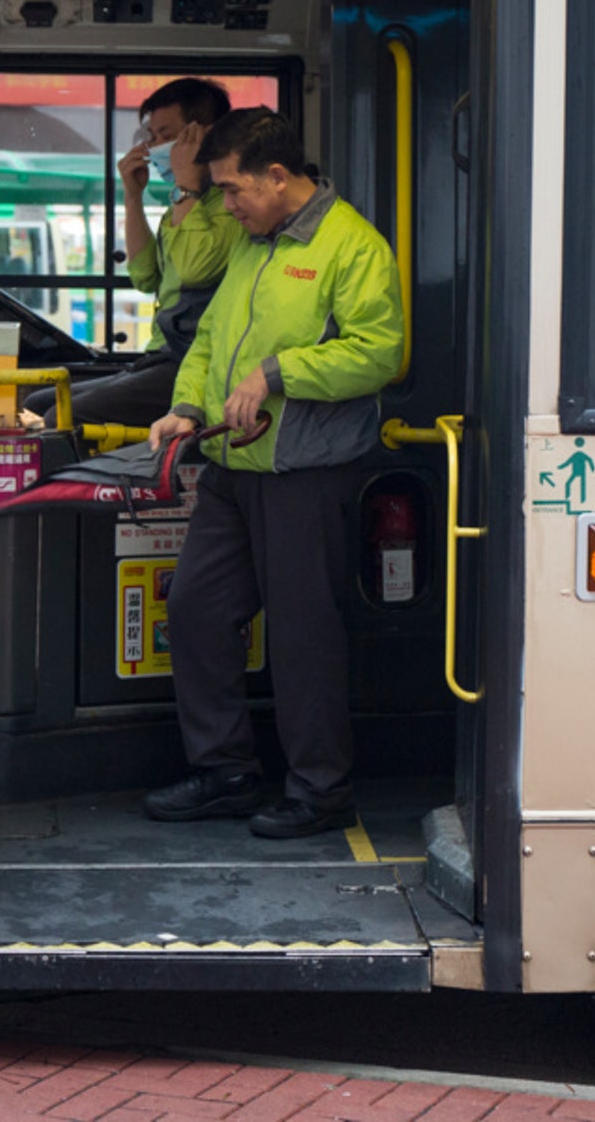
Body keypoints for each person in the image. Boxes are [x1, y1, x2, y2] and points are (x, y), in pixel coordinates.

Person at [141, 108, 403, 839]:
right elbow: (210, 339)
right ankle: (224, 770)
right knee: (195, 608)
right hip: (232, 467)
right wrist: (187, 407)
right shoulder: (253, 244)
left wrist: (277, 372)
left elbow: (378, 353)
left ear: (278, 177)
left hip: (304, 473)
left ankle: (321, 789)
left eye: (233, 189)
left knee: (301, 634)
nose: (227, 205)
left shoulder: (351, 245)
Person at [23, 78, 242, 427]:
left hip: (195, 358)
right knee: (37, 402)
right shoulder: (180, 204)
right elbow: (145, 276)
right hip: (160, 354)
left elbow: (193, 271)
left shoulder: (229, 204)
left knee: (61, 417)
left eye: (166, 135)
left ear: (205, 135)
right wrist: (132, 196)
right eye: (151, 136)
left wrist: (186, 184)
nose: (154, 147)